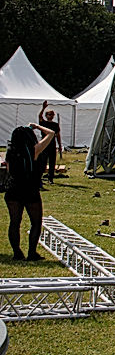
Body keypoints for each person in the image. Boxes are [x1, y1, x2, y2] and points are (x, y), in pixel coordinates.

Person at [5, 122, 56, 260]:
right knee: (36, 222)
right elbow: (51, 133)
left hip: (13, 189)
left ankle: (17, 252)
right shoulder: (34, 150)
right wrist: (37, 126)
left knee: (14, 222)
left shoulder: (10, 152)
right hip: (30, 189)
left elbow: (9, 171)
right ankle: (32, 253)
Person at [37, 101, 63, 184]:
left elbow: (58, 135)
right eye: (49, 114)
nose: (51, 116)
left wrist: (60, 145)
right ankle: (39, 178)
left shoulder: (55, 125)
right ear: (46, 115)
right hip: (44, 144)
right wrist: (43, 108)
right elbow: (39, 116)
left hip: (52, 144)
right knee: (43, 162)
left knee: (52, 162)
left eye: (52, 115)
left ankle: (50, 178)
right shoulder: (43, 123)